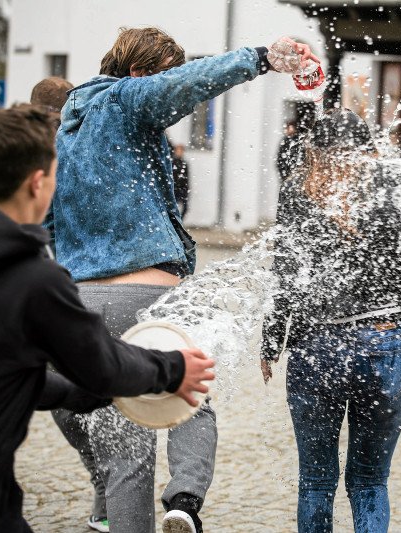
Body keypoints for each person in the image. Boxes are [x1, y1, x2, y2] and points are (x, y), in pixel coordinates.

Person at [51, 27, 318, 533]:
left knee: (125, 451)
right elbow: (187, 83)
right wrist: (262, 58)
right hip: (147, 296)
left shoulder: (70, 130)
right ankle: (184, 501)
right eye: (163, 75)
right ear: (138, 73)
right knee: (190, 395)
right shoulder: (126, 99)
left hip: (85, 298)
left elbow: (48, 223)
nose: (170, 93)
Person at [0, 105, 214, 533]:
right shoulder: (32, 277)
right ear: (38, 183)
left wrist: (83, 394)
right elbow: (103, 363)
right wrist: (175, 368)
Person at [261, 109, 401, 532]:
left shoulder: (297, 194)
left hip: (315, 347)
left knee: (316, 481)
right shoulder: (397, 191)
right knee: (370, 481)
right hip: (383, 346)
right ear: (370, 150)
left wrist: (271, 342)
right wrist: (399, 319)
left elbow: (284, 274)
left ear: (314, 151)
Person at [172, 143, 190, 219]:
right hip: (175, 188)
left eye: (181, 151)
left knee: (185, 207)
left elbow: (186, 177)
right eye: (178, 150)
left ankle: (179, 220)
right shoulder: (172, 163)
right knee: (173, 206)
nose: (179, 152)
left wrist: (187, 188)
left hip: (182, 188)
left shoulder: (184, 164)